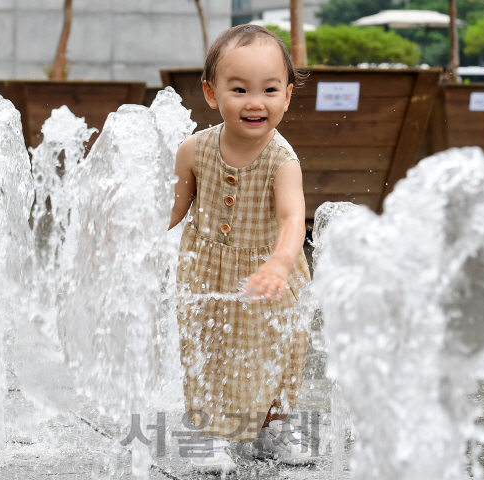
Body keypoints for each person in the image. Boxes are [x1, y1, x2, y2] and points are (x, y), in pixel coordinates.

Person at [169, 24, 314, 473]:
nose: (256, 102)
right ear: (212, 94)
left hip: (271, 274)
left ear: (287, 96)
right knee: (206, 353)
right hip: (206, 274)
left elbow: (293, 219)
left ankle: (275, 425)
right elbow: (171, 209)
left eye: (270, 89)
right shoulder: (194, 150)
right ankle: (204, 432)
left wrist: (279, 262)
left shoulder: (282, 160)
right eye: (239, 89)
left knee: (279, 354)